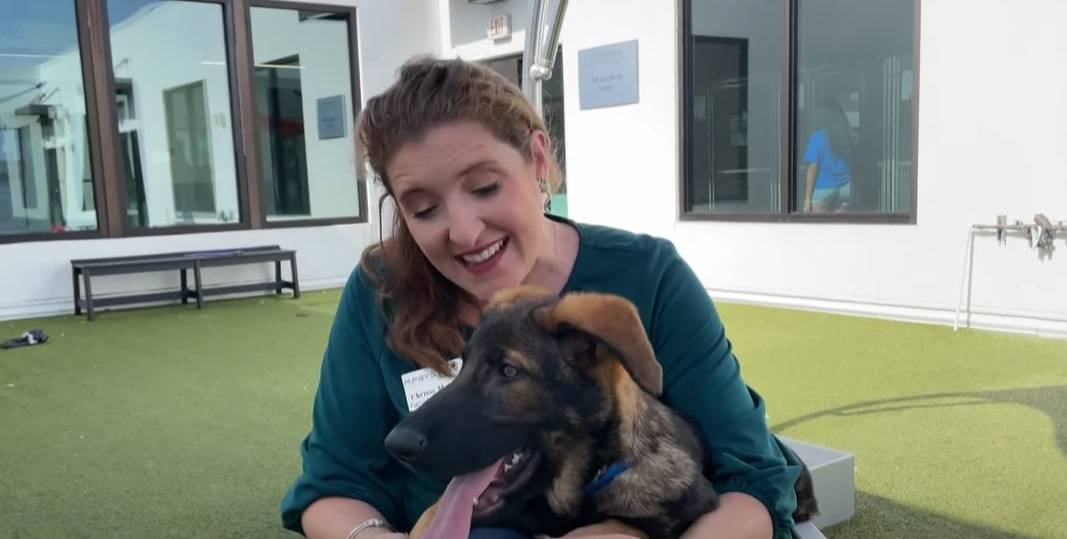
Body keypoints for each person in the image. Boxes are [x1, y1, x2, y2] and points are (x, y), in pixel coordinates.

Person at [280, 57, 805, 539]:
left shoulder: (647, 275)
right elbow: (333, 484)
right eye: (423, 209)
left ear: (536, 158)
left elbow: (753, 482)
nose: (463, 232)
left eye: (484, 187)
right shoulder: (383, 288)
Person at [802, 99, 854, 213]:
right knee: (840, 229)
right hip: (845, 187)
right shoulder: (847, 137)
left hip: (824, 187)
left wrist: (807, 200)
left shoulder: (818, 137)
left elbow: (812, 169)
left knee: (820, 229)